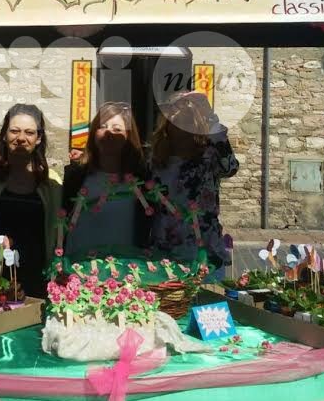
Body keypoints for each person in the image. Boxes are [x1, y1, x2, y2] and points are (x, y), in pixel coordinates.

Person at [149, 92, 239, 272]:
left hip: (205, 247)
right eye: (176, 122)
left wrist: (210, 117)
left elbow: (230, 167)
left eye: (188, 123)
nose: (182, 130)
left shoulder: (209, 157)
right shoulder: (156, 160)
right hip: (166, 248)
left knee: (208, 290)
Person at [0, 104, 62, 297]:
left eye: (29, 132)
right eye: (15, 131)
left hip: (37, 283)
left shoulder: (53, 190)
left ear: (38, 138)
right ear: (4, 135)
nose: (21, 138)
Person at [62, 102, 151, 257]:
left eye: (117, 129)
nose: (109, 133)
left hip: (126, 266)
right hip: (80, 264)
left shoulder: (141, 180)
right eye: (102, 127)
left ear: (128, 136)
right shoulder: (76, 177)